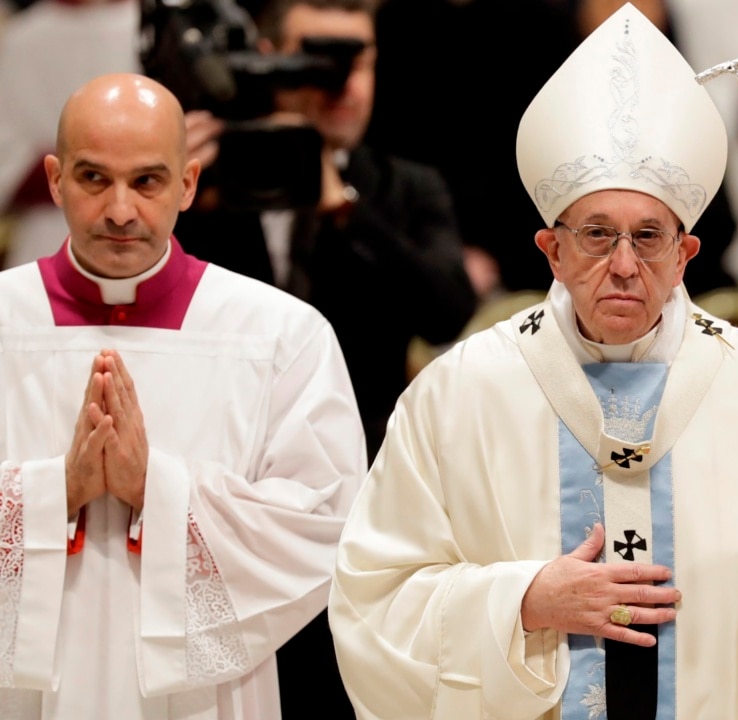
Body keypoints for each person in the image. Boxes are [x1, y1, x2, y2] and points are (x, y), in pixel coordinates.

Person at [328, 5, 738, 718]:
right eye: (598, 236)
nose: (625, 265)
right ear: (553, 251)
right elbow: (372, 598)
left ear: (686, 254)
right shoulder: (463, 393)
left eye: (650, 237)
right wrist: (526, 600)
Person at [0, 73, 365, 719]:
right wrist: (58, 490)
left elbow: (327, 523)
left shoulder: (279, 333)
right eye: (92, 179)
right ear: (54, 179)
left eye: (147, 181)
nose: (119, 210)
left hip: (200, 700)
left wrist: (157, 490)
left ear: (188, 183)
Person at [173, 0, 477, 460]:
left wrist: (346, 210)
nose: (343, 86)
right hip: (217, 451)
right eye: (318, 61)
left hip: (365, 459)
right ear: (268, 58)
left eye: (358, 63)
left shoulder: (406, 187)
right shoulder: (210, 177)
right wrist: (162, 187)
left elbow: (448, 313)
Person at [0, 0, 139, 269]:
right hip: (47, 237)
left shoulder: (156, 28)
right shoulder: (24, 39)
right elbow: (9, 164)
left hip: (143, 231)